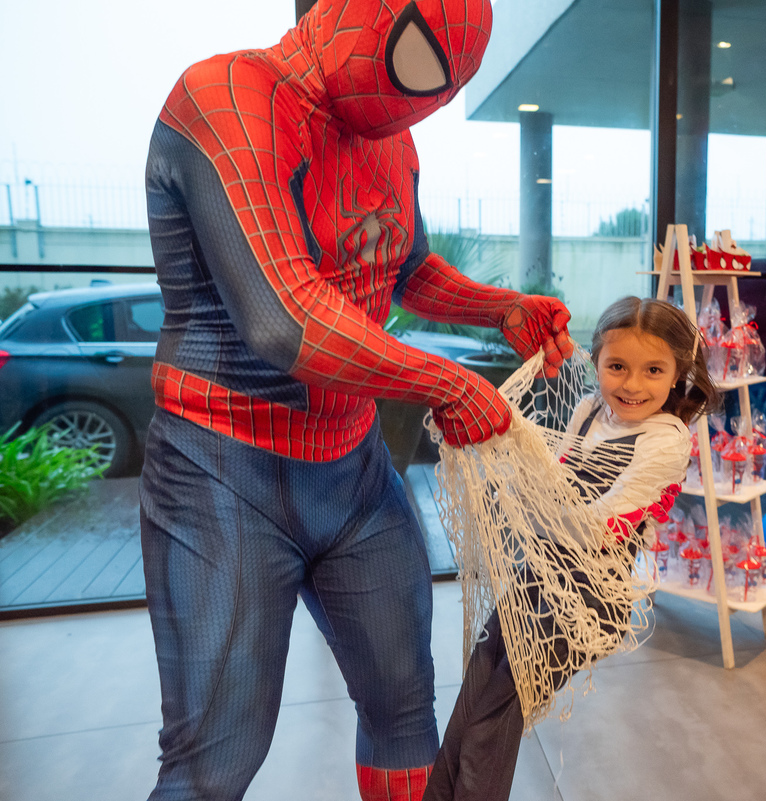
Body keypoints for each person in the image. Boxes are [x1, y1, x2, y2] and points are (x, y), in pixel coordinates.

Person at [138, 1, 572, 799]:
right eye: (421, 64)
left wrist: (501, 308)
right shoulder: (229, 96)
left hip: (353, 464)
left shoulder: (388, 140)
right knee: (214, 756)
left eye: (450, 84)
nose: (424, 101)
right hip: (221, 466)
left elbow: (408, 269)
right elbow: (283, 318)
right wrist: (447, 381)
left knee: (405, 705)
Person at [425, 296, 723, 801]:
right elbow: (555, 482)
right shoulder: (588, 412)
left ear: (678, 374)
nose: (632, 385)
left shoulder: (666, 440)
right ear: (596, 360)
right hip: (538, 577)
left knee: (493, 717)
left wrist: (522, 483)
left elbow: (596, 527)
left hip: (587, 600)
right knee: (473, 694)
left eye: (653, 370)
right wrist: (518, 475)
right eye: (617, 366)